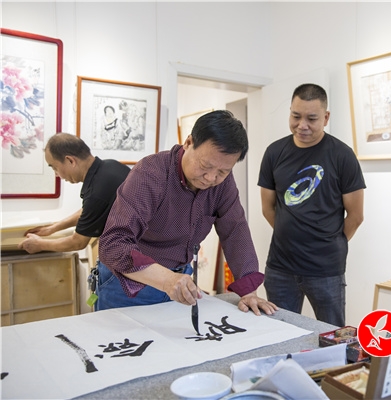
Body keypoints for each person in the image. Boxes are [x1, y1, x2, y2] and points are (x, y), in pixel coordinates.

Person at [97, 110, 277, 317]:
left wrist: (249, 292)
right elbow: (113, 244)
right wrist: (166, 279)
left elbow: (235, 230)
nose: (210, 178)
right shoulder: (150, 174)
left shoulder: (222, 184)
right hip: (130, 283)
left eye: (222, 172)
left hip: (181, 281)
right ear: (189, 142)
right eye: (205, 166)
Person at [258, 83, 366, 327]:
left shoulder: (342, 155)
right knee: (279, 332)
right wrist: (291, 233)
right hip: (280, 267)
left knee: (332, 335)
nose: (302, 125)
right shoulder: (274, 152)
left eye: (311, 118)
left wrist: (329, 241)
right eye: (296, 116)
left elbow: (356, 215)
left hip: (326, 269)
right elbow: (268, 208)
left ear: (326, 118)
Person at [18, 133, 130, 254]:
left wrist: (39, 244)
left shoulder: (96, 193)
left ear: (70, 161)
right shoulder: (111, 165)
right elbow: (90, 211)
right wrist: (52, 228)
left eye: (55, 168)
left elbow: (78, 242)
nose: (56, 174)